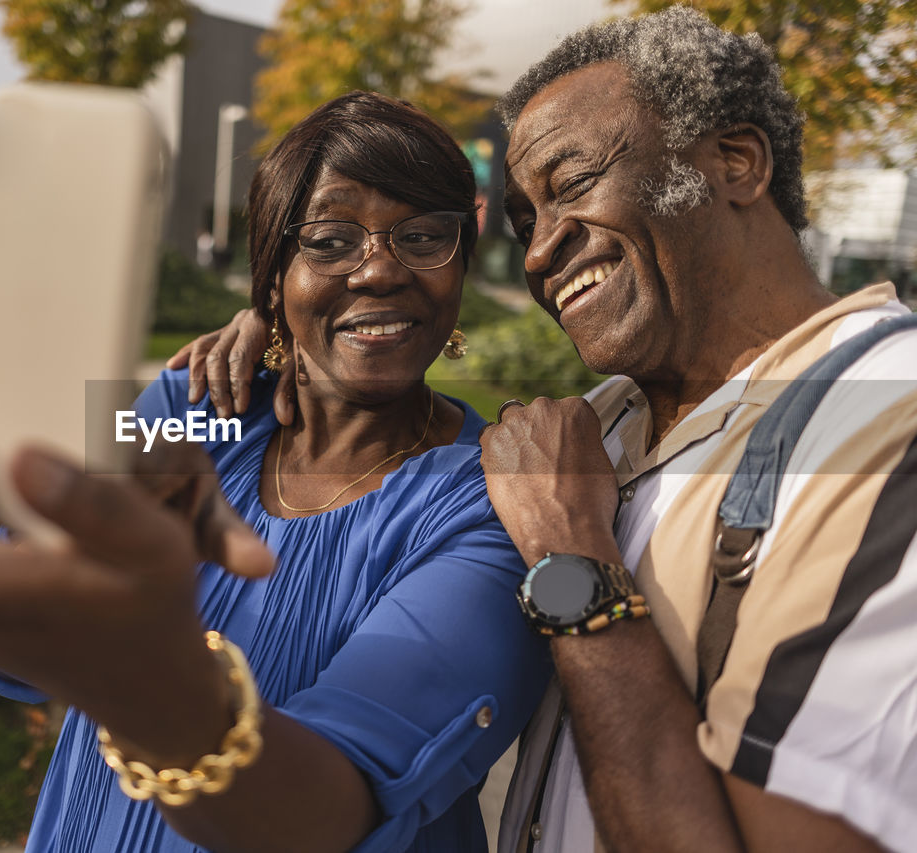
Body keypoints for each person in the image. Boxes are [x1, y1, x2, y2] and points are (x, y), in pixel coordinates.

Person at [185, 10, 917, 851]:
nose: (537, 255)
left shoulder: (881, 425)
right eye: (525, 220)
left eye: (572, 184)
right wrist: (219, 378)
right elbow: (12, 631)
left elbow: (346, 770)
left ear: (736, 162)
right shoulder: (595, 430)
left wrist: (573, 565)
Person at [0, 91, 550, 853]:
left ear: (460, 267)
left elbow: (319, 816)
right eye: (327, 239)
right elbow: (13, 664)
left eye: (422, 236)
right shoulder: (196, 410)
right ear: (271, 276)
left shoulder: (493, 504)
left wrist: (142, 663)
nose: (379, 268)